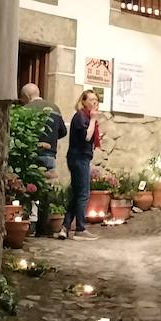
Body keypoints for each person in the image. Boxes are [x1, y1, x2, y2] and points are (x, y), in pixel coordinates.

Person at [60, 88, 102, 241]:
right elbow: (86, 137)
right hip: (79, 159)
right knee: (84, 193)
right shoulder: (81, 117)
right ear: (83, 101)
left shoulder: (84, 116)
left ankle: (65, 227)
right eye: (91, 100)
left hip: (79, 158)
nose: (94, 103)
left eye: (96, 100)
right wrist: (92, 120)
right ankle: (80, 229)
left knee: (77, 194)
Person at [20, 82, 67, 177]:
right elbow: (63, 131)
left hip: (32, 154)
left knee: (33, 185)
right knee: (49, 185)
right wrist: (51, 138)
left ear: (27, 96)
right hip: (50, 154)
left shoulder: (25, 109)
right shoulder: (54, 108)